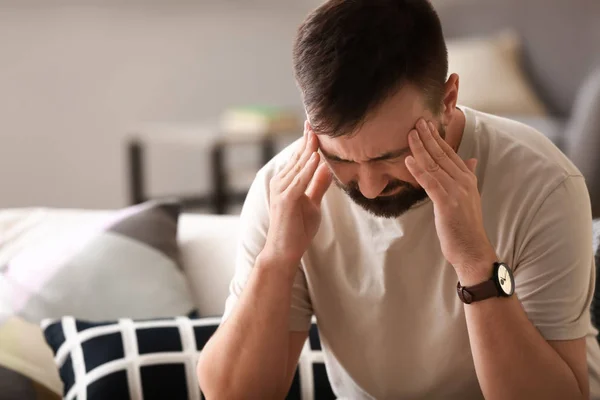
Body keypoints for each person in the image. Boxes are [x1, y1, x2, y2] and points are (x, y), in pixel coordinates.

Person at [197, 0, 600, 398]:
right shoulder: (285, 192)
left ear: (447, 99)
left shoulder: (542, 183)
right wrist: (277, 260)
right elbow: (231, 395)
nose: (369, 187)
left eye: (389, 158)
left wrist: (476, 262)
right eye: (340, 158)